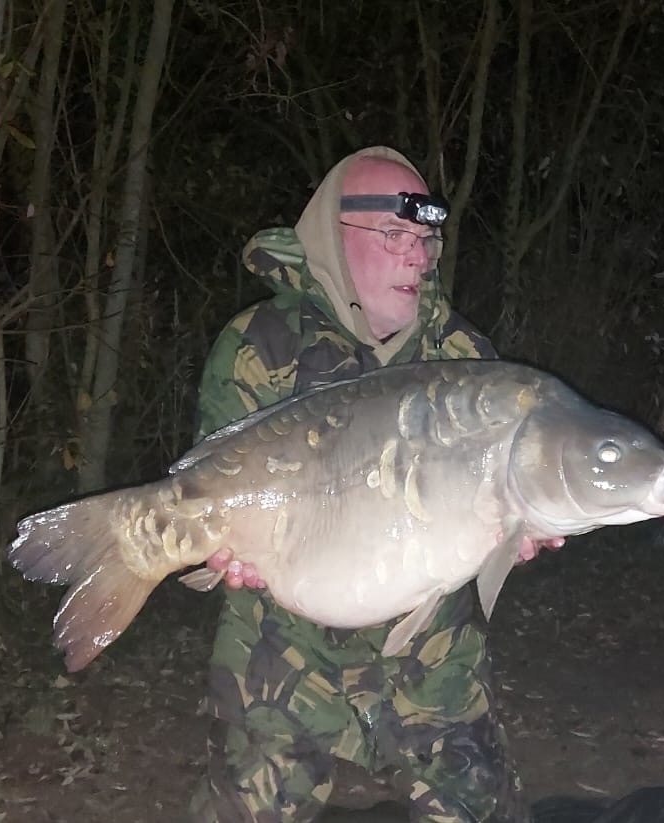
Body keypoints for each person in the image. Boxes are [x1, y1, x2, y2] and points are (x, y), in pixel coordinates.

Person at [187, 146, 560, 823]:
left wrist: (514, 531)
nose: (418, 257)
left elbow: (497, 503)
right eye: (395, 235)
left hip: (430, 652)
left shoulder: (464, 360)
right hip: (282, 645)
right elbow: (216, 490)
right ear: (332, 237)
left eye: (425, 240)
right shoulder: (257, 348)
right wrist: (223, 550)